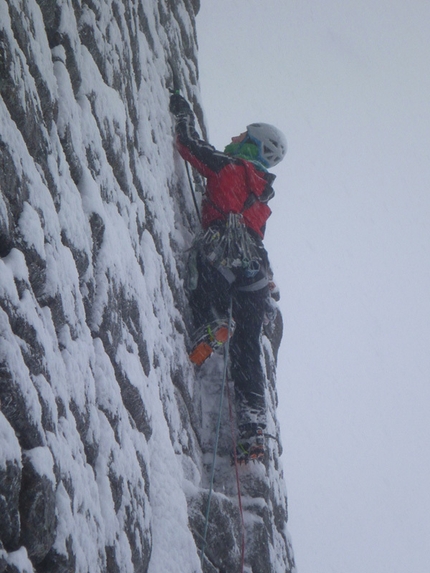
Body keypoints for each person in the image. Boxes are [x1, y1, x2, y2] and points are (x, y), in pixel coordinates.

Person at [169, 93, 287, 462]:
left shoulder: (229, 167)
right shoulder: (262, 195)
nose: (235, 137)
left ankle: (213, 322)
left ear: (251, 145)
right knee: (247, 348)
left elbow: (188, 145)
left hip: (223, 251)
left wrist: (183, 113)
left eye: (242, 136)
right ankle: (253, 429)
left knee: (205, 275)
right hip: (255, 273)